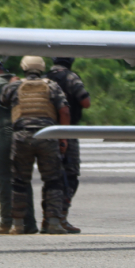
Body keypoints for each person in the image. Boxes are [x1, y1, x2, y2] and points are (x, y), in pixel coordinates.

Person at [0, 56, 70, 234]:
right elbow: (64, 111)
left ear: (24, 67)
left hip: (22, 137)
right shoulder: (52, 85)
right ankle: (53, 223)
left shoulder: (14, 86)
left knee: (19, 181)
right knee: (53, 180)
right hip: (47, 136)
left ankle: (18, 225)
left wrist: (12, 83)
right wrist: (63, 138)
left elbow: (3, 101)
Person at [0, 58, 37, 235]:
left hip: (6, 132)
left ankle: (7, 221)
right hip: (25, 130)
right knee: (22, 177)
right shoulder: (18, 82)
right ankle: (28, 222)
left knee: (2, 176)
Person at [46, 57, 90, 233]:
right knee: (70, 175)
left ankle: (49, 218)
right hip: (68, 131)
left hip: (46, 131)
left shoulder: (45, 78)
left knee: (52, 177)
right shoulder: (71, 77)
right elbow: (85, 102)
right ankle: (61, 217)